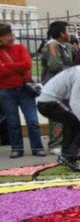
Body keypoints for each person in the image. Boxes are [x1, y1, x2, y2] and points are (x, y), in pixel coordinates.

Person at [0, 23, 46, 158]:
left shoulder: (20, 48)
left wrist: (7, 66)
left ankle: (37, 147)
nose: (11, 37)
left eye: (12, 34)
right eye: (7, 35)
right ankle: (17, 149)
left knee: (32, 120)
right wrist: (16, 67)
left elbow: (28, 64)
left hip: (25, 89)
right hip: (6, 91)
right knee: (12, 122)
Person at [41, 21, 74, 155]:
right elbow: (55, 65)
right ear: (61, 33)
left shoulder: (66, 46)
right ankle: (55, 144)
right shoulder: (52, 46)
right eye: (67, 30)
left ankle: (65, 142)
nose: (69, 33)